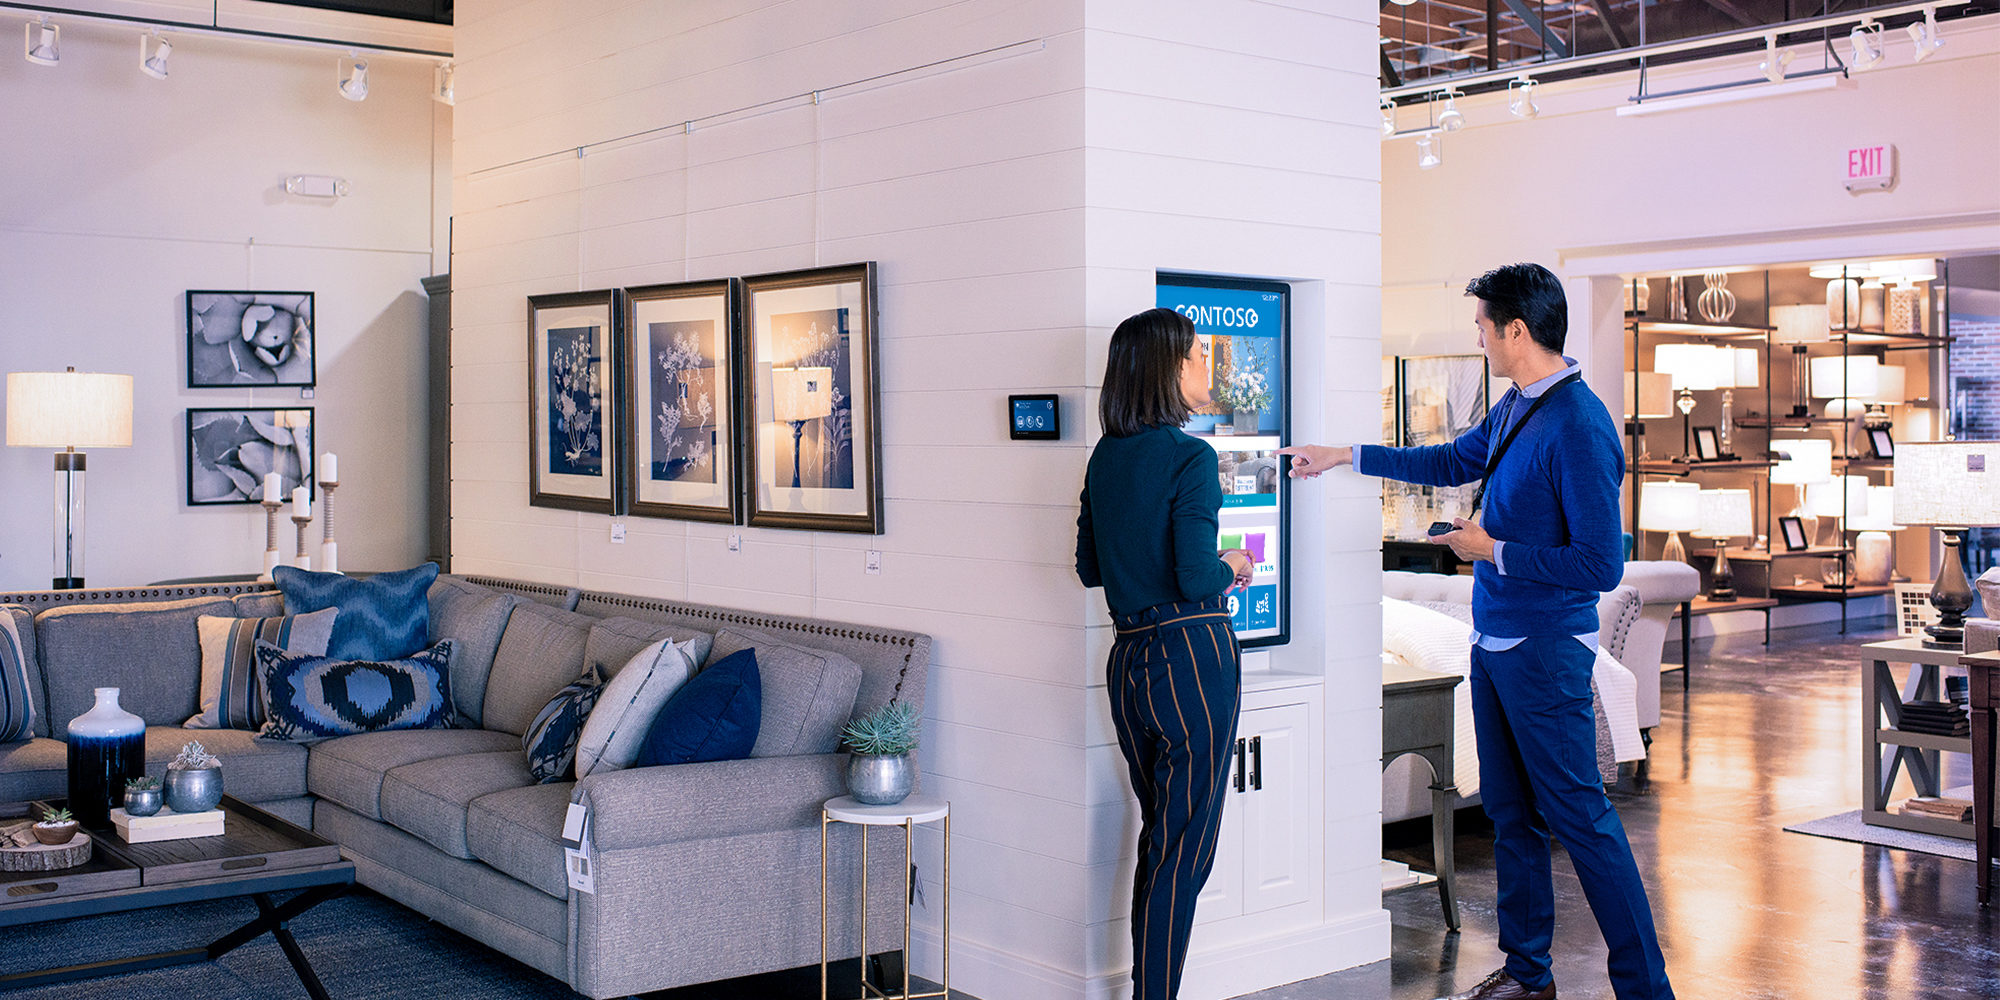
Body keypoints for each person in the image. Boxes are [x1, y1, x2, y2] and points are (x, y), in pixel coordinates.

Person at [1280, 263, 1674, 1000]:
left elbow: (1596, 563)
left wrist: (1491, 551)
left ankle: (1646, 989)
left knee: (1581, 819)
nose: (1480, 339)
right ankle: (1529, 975)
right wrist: (1343, 456)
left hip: (1547, 650)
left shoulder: (1581, 425)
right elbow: (1455, 458)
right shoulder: (1518, 405)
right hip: (1494, 646)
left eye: (1483, 327)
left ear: (1516, 331)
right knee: (1509, 815)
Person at [1076, 307, 1254, 1000]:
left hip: (1129, 663)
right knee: (1185, 849)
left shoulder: (1105, 456)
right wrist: (1232, 559)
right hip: (1193, 655)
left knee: (1164, 838)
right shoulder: (1191, 457)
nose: (1207, 368)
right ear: (1168, 369)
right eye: (1198, 356)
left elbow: (1092, 567)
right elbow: (1194, 575)